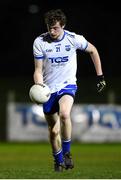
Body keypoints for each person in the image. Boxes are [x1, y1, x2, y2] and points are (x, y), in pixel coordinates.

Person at [32, 9, 106, 172]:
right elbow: (38, 69)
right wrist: (39, 86)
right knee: (53, 131)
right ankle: (57, 160)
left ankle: (66, 153)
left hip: (68, 85)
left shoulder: (73, 39)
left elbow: (93, 50)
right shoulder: (40, 42)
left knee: (65, 114)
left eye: (55, 28)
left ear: (63, 25)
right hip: (48, 90)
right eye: (49, 27)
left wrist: (100, 76)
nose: (52, 31)